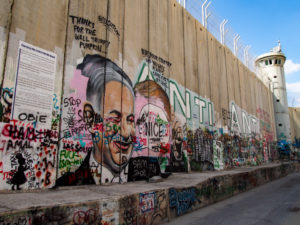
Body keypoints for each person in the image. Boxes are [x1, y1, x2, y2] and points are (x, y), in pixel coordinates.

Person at [56, 54, 135, 185]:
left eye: (130, 120)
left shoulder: (145, 171)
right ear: (90, 118)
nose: (126, 133)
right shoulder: (68, 185)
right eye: (115, 118)